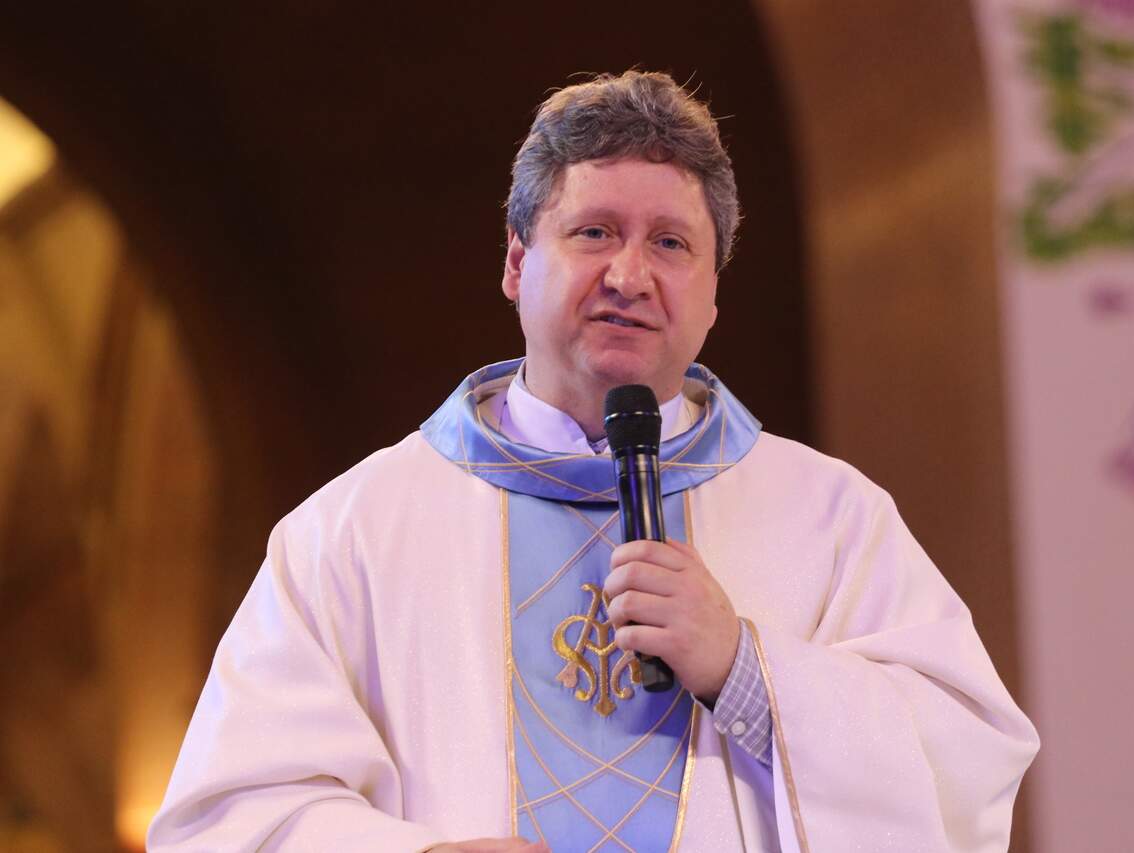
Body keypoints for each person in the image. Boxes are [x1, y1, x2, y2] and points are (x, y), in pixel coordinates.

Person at [149, 70, 1038, 852]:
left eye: (671, 243)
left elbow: (967, 768)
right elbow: (228, 818)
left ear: (713, 293)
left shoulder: (833, 517)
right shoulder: (352, 531)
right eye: (594, 232)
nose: (629, 275)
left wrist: (746, 668)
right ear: (516, 261)